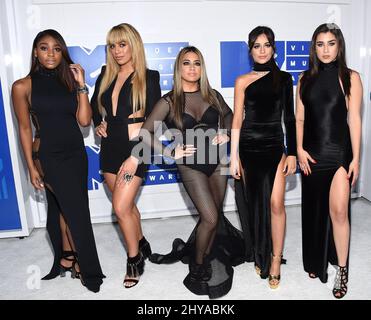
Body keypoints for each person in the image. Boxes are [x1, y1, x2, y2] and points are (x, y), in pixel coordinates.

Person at [120, 46, 245, 298]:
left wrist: (226, 132)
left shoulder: (213, 95)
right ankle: (198, 267)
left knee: (214, 217)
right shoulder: (168, 101)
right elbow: (145, 133)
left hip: (217, 161)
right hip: (190, 165)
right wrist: (169, 153)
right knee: (209, 217)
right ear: (179, 68)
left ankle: (206, 252)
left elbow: (231, 116)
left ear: (202, 68)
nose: (192, 68)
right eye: (186, 63)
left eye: (197, 63)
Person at [11, 29, 105, 292]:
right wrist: (30, 167)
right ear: (35, 52)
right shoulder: (22, 86)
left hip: (75, 152)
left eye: (56, 48)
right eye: (44, 48)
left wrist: (81, 85)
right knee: (77, 212)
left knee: (62, 207)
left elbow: (85, 122)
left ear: (63, 51)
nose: (50, 53)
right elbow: (24, 129)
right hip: (48, 155)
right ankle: (88, 269)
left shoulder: (69, 82)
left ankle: (66, 257)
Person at [90, 23, 161, 288]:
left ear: (134, 44)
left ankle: (134, 259)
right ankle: (141, 241)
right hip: (110, 147)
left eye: (122, 44)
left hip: (136, 147)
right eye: (112, 45)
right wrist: (99, 122)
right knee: (127, 206)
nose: (117, 51)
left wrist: (135, 156)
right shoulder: (106, 75)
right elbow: (95, 107)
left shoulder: (149, 76)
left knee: (119, 207)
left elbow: (155, 121)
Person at [296, 23, 362, 299]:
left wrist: (356, 158)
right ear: (314, 48)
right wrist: (298, 149)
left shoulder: (351, 77)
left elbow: (354, 119)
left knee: (338, 213)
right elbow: (299, 119)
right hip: (311, 154)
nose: (325, 49)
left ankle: (342, 269)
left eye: (331, 43)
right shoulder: (303, 78)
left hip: (338, 155)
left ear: (339, 46)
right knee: (313, 211)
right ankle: (315, 261)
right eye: (320, 44)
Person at [230, 26, 297, 289]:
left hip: (273, 147)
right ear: (250, 50)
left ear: (274, 48)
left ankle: (276, 259)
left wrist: (291, 151)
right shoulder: (242, 81)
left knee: (276, 204)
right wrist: (234, 156)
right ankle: (259, 253)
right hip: (247, 147)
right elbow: (237, 119)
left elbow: (289, 118)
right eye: (256, 46)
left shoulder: (284, 79)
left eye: (266, 45)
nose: (261, 50)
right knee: (255, 204)